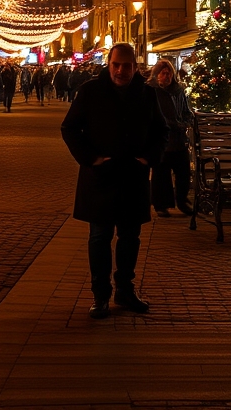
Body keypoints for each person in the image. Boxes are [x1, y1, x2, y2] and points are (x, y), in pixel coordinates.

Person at [60, 43, 168, 319]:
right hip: (101, 178)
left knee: (130, 237)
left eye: (127, 65)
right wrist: (90, 158)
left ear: (136, 66)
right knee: (99, 237)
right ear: (108, 65)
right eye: (116, 65)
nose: (121, 70)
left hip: (133, 177)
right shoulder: (91, 91)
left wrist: (148, 158)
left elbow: (161, 131)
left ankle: (125, 290)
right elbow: (70, 127)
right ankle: (100, 294)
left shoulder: (146, 94)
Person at [149, 59, 193, 216]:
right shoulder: (152, 91)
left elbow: (187, 111)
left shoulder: (178, 90)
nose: (166, 76)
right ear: (158, 74)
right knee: (161, 175)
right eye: (163, 73)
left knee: (183, 173)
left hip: (179, 140)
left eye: (168, 73)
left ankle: (182, 201)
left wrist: (184, 122)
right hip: (162, 140)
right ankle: (161, 205)